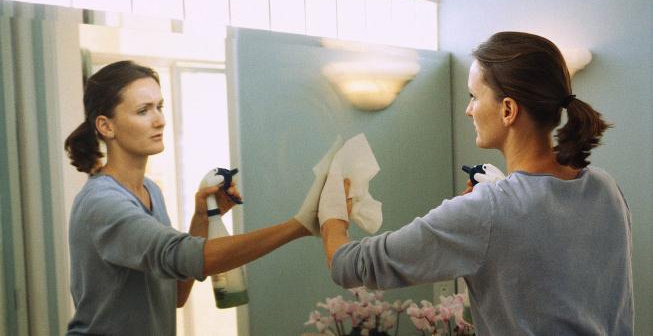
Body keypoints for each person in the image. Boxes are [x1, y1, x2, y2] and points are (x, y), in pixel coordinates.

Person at [320, 32, 634, 335]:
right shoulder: (605, 188)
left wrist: (331, 213)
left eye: (474, 96)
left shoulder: (488, 210)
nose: (469, 109)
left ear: (508, 110)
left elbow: (350, 265)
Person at [63, 60, 319, 335]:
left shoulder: (150, 191)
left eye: (159, 107)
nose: (160, 119)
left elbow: (176, 294)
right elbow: (184, 256)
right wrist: (299, 225)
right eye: (143, 110)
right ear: (106, 126)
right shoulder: (102, 203)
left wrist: (202, 218)